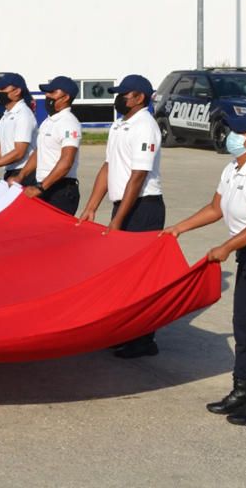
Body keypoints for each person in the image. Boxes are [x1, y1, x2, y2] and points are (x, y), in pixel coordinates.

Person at [162, 113, 246, 426]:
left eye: (240, 131)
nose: (231, 134)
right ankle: (242, 390)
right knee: (244, 326)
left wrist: (226, 247)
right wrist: (178, 228)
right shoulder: (233, 167)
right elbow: (215, 208)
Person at [78, 74, 163, 358]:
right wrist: (92, 206)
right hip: (123, 205)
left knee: (139, 275)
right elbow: (108, 167)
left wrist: (118, 220)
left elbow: (138, 177)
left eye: (123, 94)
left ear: (139, 97)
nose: (118, 98)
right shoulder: (120, 124)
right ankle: (129, 331)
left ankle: (144, 339)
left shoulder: (145, 127)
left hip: (143, 207)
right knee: (123, 275)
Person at [9, 76, 82, 215]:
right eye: (47, 92)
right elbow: (39, 152)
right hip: (45, 186)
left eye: (52, 92)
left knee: (56, 235)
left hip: (60, 190)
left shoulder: (69, 123)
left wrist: (41, 188)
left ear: (65, 97)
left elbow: (66, 161)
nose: (47, 95)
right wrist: (21, 176)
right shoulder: (48, 121)